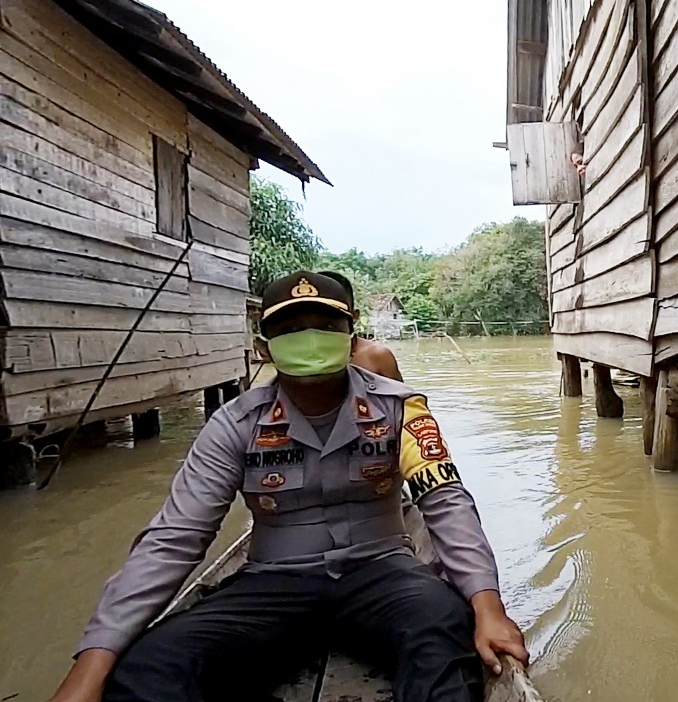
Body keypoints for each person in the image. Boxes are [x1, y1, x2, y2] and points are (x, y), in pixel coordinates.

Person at [50, 270, 528, 702]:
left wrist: (488, 606)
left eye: (325, 326)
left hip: (385, 574)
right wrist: (91, 664)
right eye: (291, 329)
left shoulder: (400, 408)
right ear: (264, 347)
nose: (310, 339)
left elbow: (444, 501)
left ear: (351, 336)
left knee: (444, 637)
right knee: (149, 668)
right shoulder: (235, 424)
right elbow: (175, 538)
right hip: (272, 582)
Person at [318, 270, 403, 381]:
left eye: (332, 317)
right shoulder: (298, 358)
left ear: (354, 316)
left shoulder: (377, 356)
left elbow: (399, 391)